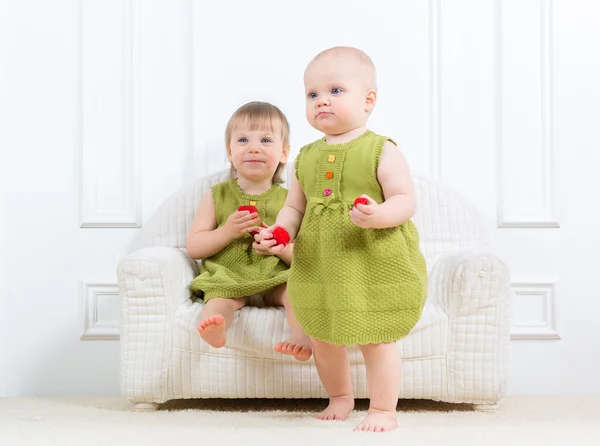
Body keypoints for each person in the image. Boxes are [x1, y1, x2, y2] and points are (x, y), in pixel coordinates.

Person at [256, 47, 428, 432]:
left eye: (335, 90)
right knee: (322, 334)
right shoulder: (304, 157)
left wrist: (380, 214)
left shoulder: (380, 149)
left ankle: (383, 409)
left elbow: (405, 200)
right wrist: (281, 232)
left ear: (368, 101)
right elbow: (294, 209)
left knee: (376, 336)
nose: (321, 101)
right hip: (321, 262)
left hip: (371, 260)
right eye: (312, 94)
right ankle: (339, 396)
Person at [186, 101, 312, 361]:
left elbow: (305, 256)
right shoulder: (215, 195)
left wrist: (281, 247)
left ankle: (302, 336)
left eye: (265, 140)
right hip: (228, 275)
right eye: (243, 140)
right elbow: (195, 247)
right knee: (219, 300)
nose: (253, 147)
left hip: (275, 274)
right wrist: (227, 231)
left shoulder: (292, 201)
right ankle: (216, 328)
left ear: (284, 153)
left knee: (296, 290)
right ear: (230, 152)